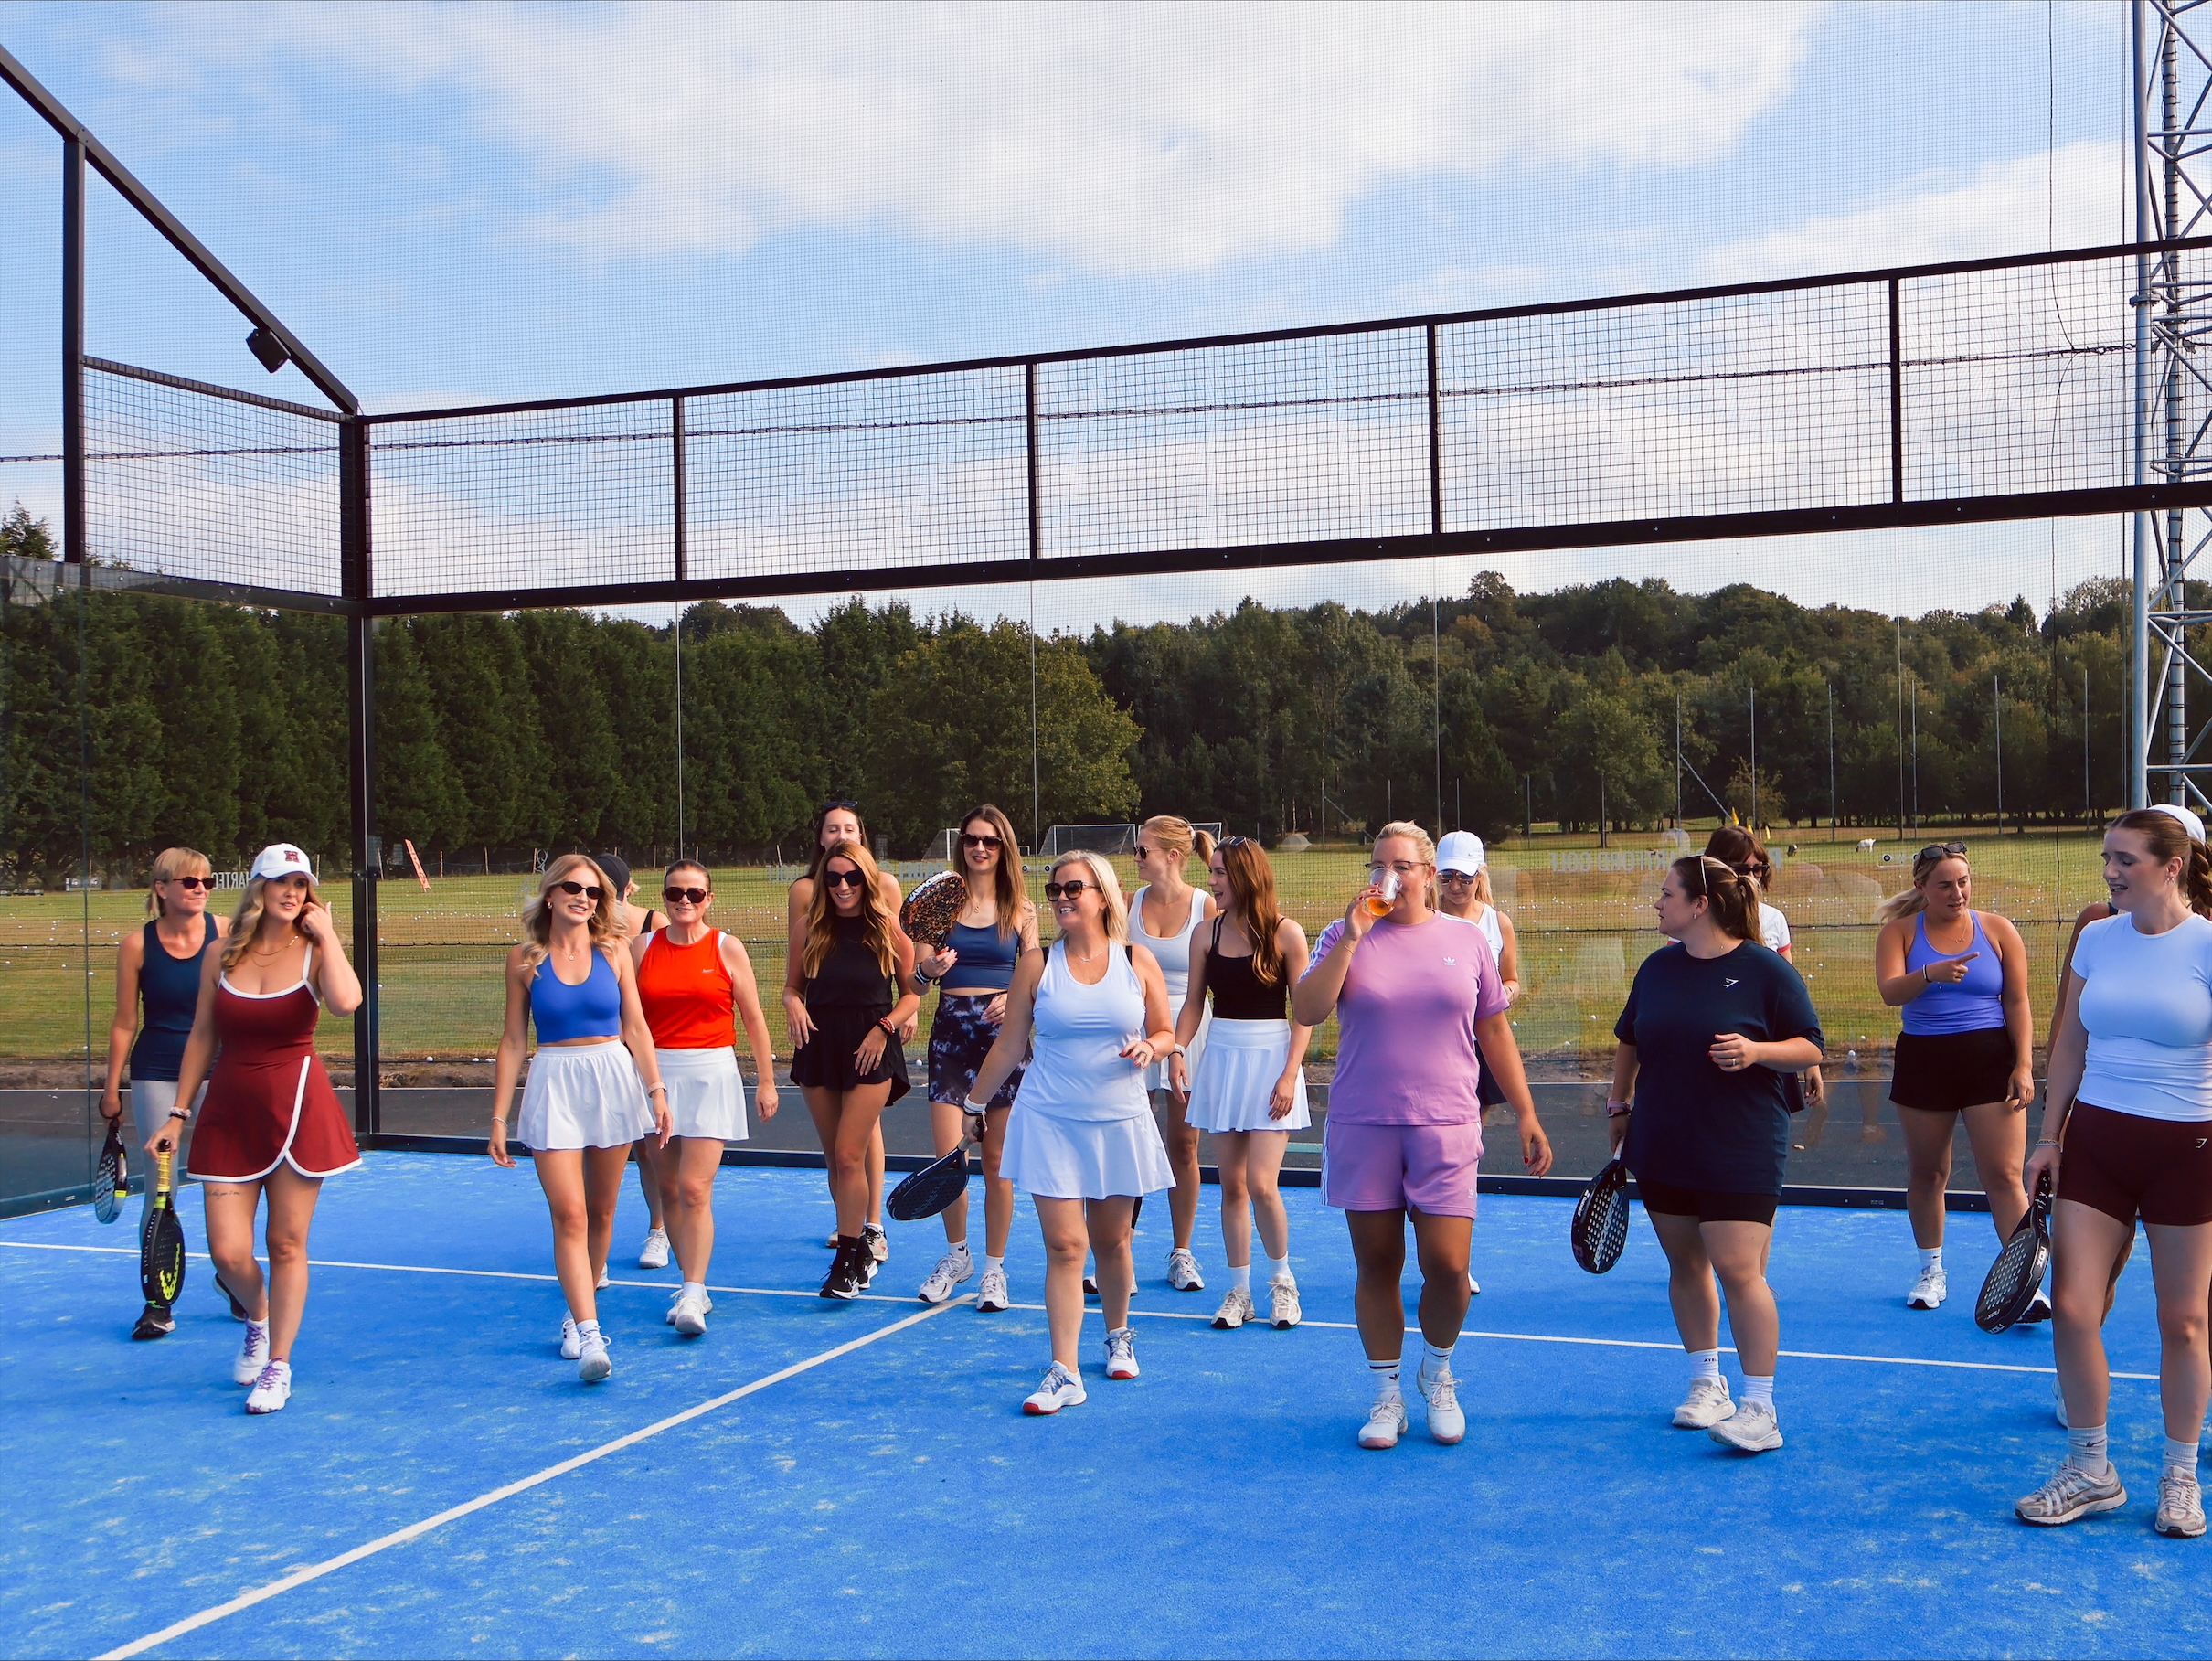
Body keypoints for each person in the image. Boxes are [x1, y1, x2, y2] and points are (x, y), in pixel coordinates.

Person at [1292, 822, 1552, 1451]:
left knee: (1450, 1267)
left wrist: (1525, 1111)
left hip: (1446, 1124)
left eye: (1404, 865)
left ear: (1429, 874)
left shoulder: (1466, 940)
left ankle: (1438, 1370)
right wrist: (1352, 937)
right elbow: (1306, 1008)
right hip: (1364, 1125)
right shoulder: (1341, 934)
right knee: (1377, 1264)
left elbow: (1493, 1030)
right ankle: (1386, 1394)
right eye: (1380, 864)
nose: (1389, 876)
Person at [2016, 808, 2212, 1539]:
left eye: (2126, 858)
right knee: (2071, 1305)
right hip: (2096, 1141)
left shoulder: (2207, 945)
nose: (2111, 871)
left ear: (2173, 864)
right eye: (2108, 856)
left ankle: (2181, 1475)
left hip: (2187, 1149)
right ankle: (2092, 1468)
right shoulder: (2097, 937)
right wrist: (2048, 1137)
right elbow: (2069, 1043)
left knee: (2184, 1321)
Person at [1605, 856, 1824, 1456]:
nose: (1658, 902)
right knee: (1686, 1265)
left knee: (1737, 1267)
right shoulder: (1656, 968)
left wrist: (1756, 1052)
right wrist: (1618, 1104)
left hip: (1743, 1142)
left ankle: (1761, 1406)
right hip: (1664, 1138)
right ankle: (1707, 1383)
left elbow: (1811, 1046)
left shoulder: (1763, 969)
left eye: (1667, 893)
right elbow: (1629, 1038)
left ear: (1699, 904)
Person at [147, 844, 364, 1415]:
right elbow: (201, 1037)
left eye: (300, 883)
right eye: (279, 882)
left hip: (298, 1107)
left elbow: (346, 1002)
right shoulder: (221, 953)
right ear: (258, 889)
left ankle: (279, 1364)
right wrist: (177, 1113)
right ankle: (258, 1316)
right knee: (227, 1253)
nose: (291, 892)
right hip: (229, 1112)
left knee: (286, 1243)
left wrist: (331, 936)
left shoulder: (317, 950)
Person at [964, 851, 1178, 1413]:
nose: (1061, 896)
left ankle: (1118, 1335)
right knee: (1065, 1245)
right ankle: (1063, 1371)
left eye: (1073, 888)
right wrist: (975, 1102)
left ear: (1102, 895)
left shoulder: (1138, 960)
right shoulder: (1035, 964)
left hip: (1119, 1120)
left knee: (1113, 1242)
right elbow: (1010, 1044)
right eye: (1055, 888)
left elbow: (1165, 1029)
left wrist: (1151, 1047)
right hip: (1049, 1119)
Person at [489, 856, 671, 1384]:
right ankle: (590, 1330)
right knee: (569, 1214)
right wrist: (499, 1117)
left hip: (613, 1079)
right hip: (554, 1083)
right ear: (550, 893)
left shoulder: (613, 952)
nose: (583, 898)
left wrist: (655, 1089)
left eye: (592, 892)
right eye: (572, 888)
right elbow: (514, 1041)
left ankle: (578, 1309)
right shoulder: (523, 959)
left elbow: (635, 1026)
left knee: (602, 1210)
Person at [1873, 841, 2035, 1312]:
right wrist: (1931, 973)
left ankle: (2023, 1282)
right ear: (1922, 887)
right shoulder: (1899, 933)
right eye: (1944, 885)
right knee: (1928, 1173)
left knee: (2005, 1176)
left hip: (1991, 1060)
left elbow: (2017, 1002)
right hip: (1925, 1061)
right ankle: (1931, 1272)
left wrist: (2023, 1065)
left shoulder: (1999, 930)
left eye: (1963, 882)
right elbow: (1889, 992)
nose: (1957, 893)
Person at [630, 861, 779, 1336]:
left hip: (712, 1073)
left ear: (709, 899)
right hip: (656, 1078)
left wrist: (768, 1080)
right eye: (676, 893)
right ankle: (688, 1282)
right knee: (668, 1187)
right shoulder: (641, 947)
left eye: (695, 893)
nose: (685, 901)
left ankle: (694, 1290)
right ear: (665, 896)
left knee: (695, 1187)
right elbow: (628, 1021)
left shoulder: (726, 947)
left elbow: (754, 1018)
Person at [1174, 836, 1311, 1330]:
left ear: (1246, 877)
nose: (1211, 882)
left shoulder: (1287, 934)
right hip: (1223, 1062)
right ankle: (1239, 1292)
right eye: (1210, 872)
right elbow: (1193, 1005)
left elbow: (1306, 1013)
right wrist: (1174, 1047)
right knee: (1231, 1185)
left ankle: (1283, 1284)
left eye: (1219, 874)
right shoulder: (1204, 935)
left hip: (1273, 1062)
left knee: (1260, 1183)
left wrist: (1290, 1074)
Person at [913, 804, 1040, 1311]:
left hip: (1004, 1040)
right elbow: (914, 982)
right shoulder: (940, 906)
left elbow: (1037, 977)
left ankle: (993, 1270)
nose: (980, 848)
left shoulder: (1023, 908)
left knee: (997, 1164)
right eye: (971, 839)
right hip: (950, 1035)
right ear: (960, 845)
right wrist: (928, 969)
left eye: (990, 840)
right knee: (949, 1161)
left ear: (1003, 846)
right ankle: (956, 1256)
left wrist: (1016, 997)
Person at [101, 846, 231, 1336]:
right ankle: (157, 1301)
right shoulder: (137, 945)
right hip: (157, 1068)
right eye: (189, 882)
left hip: (222, 1069)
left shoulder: (226, 933)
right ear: (161, 889)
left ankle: (234, 1278)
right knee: (163, 1188)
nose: (200, 889)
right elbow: (124, 1022)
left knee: (228, 1181)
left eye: (206, 882)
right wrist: (112, 1088)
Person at [785, 839, 920, 1300]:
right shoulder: (810, 927)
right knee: (834, 1158)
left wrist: (883, 1029)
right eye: (833, 878)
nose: (843, 886)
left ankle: (848, 1255)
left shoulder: (888, 928)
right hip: (819, 1045)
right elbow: (791, 988)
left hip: (870, 1044)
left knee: (849, 1154)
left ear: (867, 879)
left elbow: (911, 996)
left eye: (853, 877)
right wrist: (793, 1008)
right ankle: (858, 1247)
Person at [1130, 816, 1218, 1292]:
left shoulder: (1206, 907)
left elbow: (1211, 984)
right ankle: (1115, 1248)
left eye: (1143, 851)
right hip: (1135, 1036)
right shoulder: (1127, 905)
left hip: (1189, 1033)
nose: (1136, 859)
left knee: (1183, 1145)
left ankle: (1181, 1252)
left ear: (1173, 856)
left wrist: (1181, 1044)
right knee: (1127, 1139)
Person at [1434, 830, 1519, 1295]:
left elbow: (1511, 980)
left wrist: (1502, 995)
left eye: (1464, 877)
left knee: (1465, 1148)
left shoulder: (1495, 923)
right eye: (1447, 877)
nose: (1456, 887)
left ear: (1479, 876)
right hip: (1435, 1047)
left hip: (1478, 1045)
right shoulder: (1424, 919)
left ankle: (1455, 1258)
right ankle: (1441, 1254)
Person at [1707, 825, 1825, 1123]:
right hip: (1710, 1052)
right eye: (1740, 868)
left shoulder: (1773, 919)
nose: (1750, 877)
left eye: (1758, 869)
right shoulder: (1696, 918)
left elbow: (1790, 999)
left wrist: (1810, 1064)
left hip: (1763, 1053)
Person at [598, 854, 674, 1272]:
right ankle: (594, 1253)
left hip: (647, 1047)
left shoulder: (652, 925)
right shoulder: (580, 927)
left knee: (650, 1149)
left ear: (628, 889)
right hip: (603, 1050)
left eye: (609, 888)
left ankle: (658, 1230)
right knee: (599, 1147)